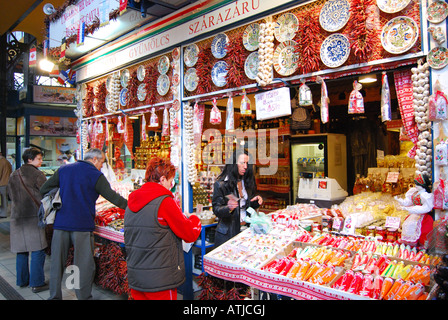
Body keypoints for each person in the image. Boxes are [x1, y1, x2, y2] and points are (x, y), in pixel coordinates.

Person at [40, 148, 127, 300]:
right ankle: (83, 296)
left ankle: (54, 296)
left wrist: (64, 193)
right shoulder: (95, 175)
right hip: (82, 225)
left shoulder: (64, 169)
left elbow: (44, 189)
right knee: (84, 264)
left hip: (61, 223)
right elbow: (113, 197)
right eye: (101, 162)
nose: (101, 166)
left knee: (57, 263)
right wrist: (134, 205)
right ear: (94, 159)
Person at [124, 157, 201, 300]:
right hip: (160, 280)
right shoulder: (164, 201)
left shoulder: (131, 201)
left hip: (136, 276)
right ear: (163, 179)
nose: (171, 185)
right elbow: (189, 234)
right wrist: (194, 219)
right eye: (171, 181)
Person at [7, 148, 48, 292]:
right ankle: (37, 282)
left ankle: (22, 280)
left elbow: (9, 195)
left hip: (17, 216)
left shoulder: (14, 174)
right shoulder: (37, 174)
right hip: (33, 217)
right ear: (30, 159)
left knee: (21, 250)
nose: (41, 161)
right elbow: (46, 192)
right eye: (39, 158)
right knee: (38, 249)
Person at [212, 149, 263, 247]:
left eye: (247, 163)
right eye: (242, 163)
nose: (245, 166)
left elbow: (246, 206)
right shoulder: (222, 184)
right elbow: (216, 209)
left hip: (246, 230)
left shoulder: (246, 181)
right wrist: (228, 208)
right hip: (228, 233)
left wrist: (256, 202)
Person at [0, 152, 12, 218]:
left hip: (2, 183)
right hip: (7, 182)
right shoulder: (7, 162)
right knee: (5, 198)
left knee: (2, 199)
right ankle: (4, 212)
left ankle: (3, 213)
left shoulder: (1, 162)